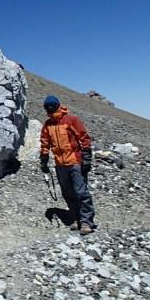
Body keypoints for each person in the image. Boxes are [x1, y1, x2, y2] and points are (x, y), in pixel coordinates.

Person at [39, 94, 96, 234]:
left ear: (58, 105)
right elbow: (45, 143)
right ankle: (77, 218)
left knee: (81, 192)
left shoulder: (71, 120)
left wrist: (87, 159)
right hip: (60, 165)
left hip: (75, 162)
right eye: (47, 107)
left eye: (52, 106)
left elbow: (84, 139)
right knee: (68, 193)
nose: (50, 109)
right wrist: (44, 161)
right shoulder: (47, 125)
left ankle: (87, 222)